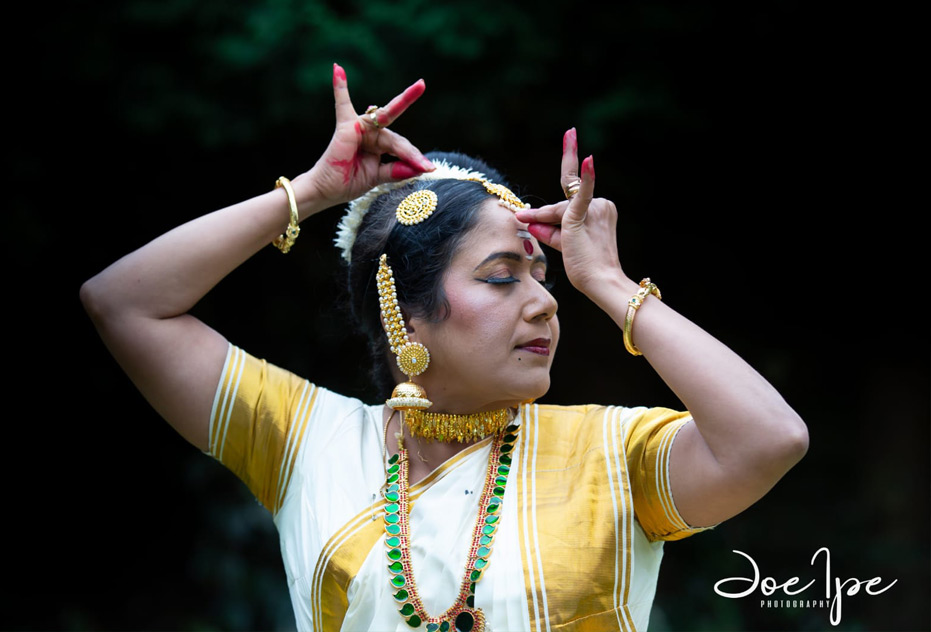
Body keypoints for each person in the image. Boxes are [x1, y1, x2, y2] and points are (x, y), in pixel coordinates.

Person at [81, 63, 808, 632]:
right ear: (404, 316)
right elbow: (125, 303)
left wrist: (610, 283)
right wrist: (307, 192)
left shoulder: (610, 455)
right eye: (500, 277)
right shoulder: (308, 443)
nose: (545, 301)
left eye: (541, 274)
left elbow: (767, 439)